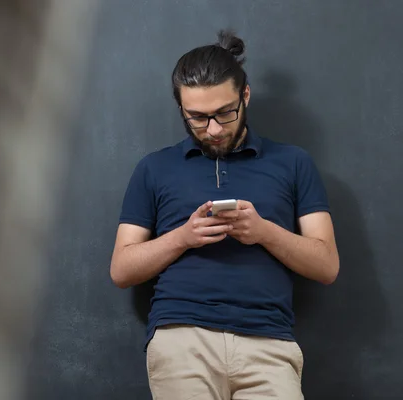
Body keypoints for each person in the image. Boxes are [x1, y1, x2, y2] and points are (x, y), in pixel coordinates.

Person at [109, 30, 340, 400]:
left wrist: (264, 232)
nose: (213, 129)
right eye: (197, 118)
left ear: (244, 96)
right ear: (180, 108)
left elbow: (327, 265)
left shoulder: (293, 163)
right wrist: (183, 237)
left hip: (269, 342)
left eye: (224, 113)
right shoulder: (154, 168)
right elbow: (121, 269)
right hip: (182, 339)